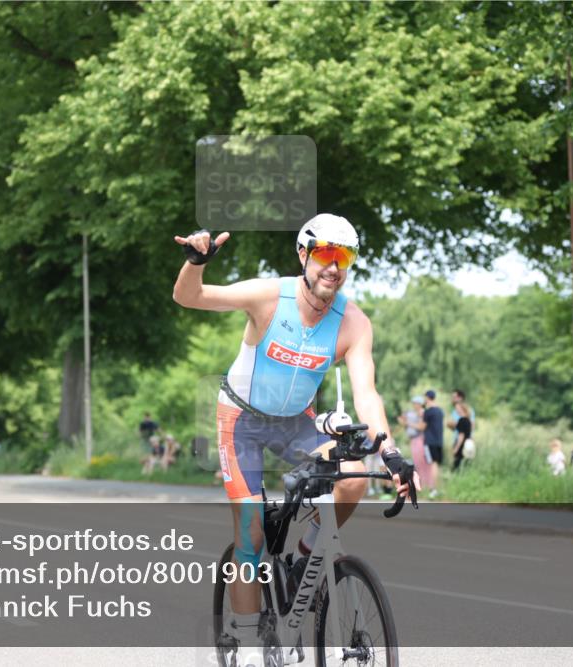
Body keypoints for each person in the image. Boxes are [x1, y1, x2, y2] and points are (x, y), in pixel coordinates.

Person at [172, 214, 415, 656]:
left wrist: (393, 453)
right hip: (241, 420)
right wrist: (196, 261)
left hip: (298, 423)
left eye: (344, 257)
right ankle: (246, 643)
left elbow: (367, 393)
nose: (334, 266)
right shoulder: (270, 296)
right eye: (325, 253)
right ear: (303, 254)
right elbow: (191, 297)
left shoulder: (353, 323)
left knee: (355, 477)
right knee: (251, 533)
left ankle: (306, 555)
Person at [414, 389, 444, 498]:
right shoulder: (440, 411)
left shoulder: (428, 411)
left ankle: (433, 489)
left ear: (427, 398)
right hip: (439, 441)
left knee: (432, 465)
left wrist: (409, 424)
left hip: (430, 441)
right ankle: (437, 489)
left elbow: (422, 427)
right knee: (437, 464)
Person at [397, 395, 428, 495]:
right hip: (413, 440)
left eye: (415, 403)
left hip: (419, 439)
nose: (414, 405)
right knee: (417, 462)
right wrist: (403, 421)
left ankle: (424, 485)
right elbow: (405, 424)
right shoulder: (414, 413)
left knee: (420, 462)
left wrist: (408, 422)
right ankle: (421, 485)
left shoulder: (422, 413)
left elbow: (420, 427)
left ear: (419, 404)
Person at [451, 402, 473, 471]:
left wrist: (456, 448)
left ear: (462, 409)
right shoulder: (468, 420)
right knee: (465, 465)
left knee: (456, 466)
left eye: (457, 408)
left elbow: (461, 435)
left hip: (462, 445)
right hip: (468, 444)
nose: (456, 410)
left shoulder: (462, 420)